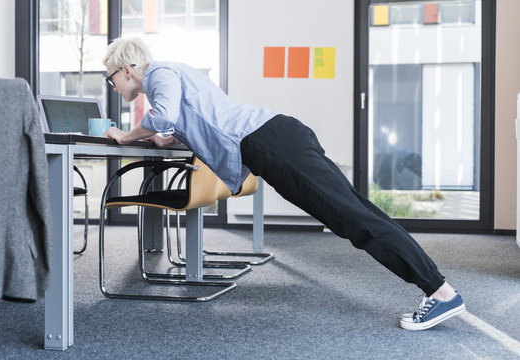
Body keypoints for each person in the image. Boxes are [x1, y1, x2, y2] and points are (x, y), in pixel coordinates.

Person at [102, 37, 466, 330]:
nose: (113, 86)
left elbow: (163, 115)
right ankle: (438, 288)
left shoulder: (160, 72)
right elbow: (188, 122)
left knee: (355, 219)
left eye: (111, 77)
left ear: (127, 68)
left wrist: (128, 135)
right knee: (352, 216)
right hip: (274, 141)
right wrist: (165, 137)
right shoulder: (168, 80)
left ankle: (441, 291)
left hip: (273, 142)